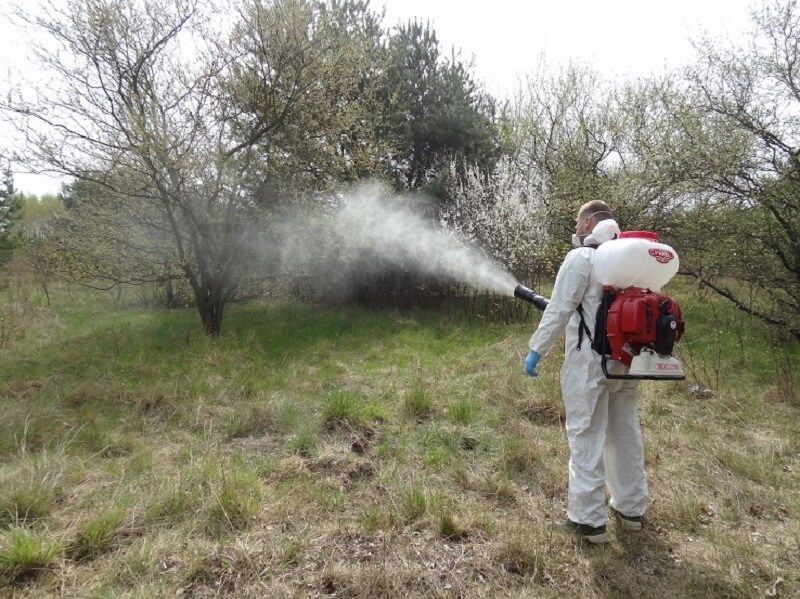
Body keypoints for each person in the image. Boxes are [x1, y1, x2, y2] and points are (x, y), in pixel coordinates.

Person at [523, 200, 647, 544]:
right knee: (624, 435)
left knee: (586, 435)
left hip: (589, 366)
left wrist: (536, 350)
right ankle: (631, 510)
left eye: (579, 222)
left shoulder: (582, 257)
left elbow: (561, 308)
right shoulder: (634, 260)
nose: (576, 229)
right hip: (627, 363)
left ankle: (588, 522)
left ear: (589, 222)